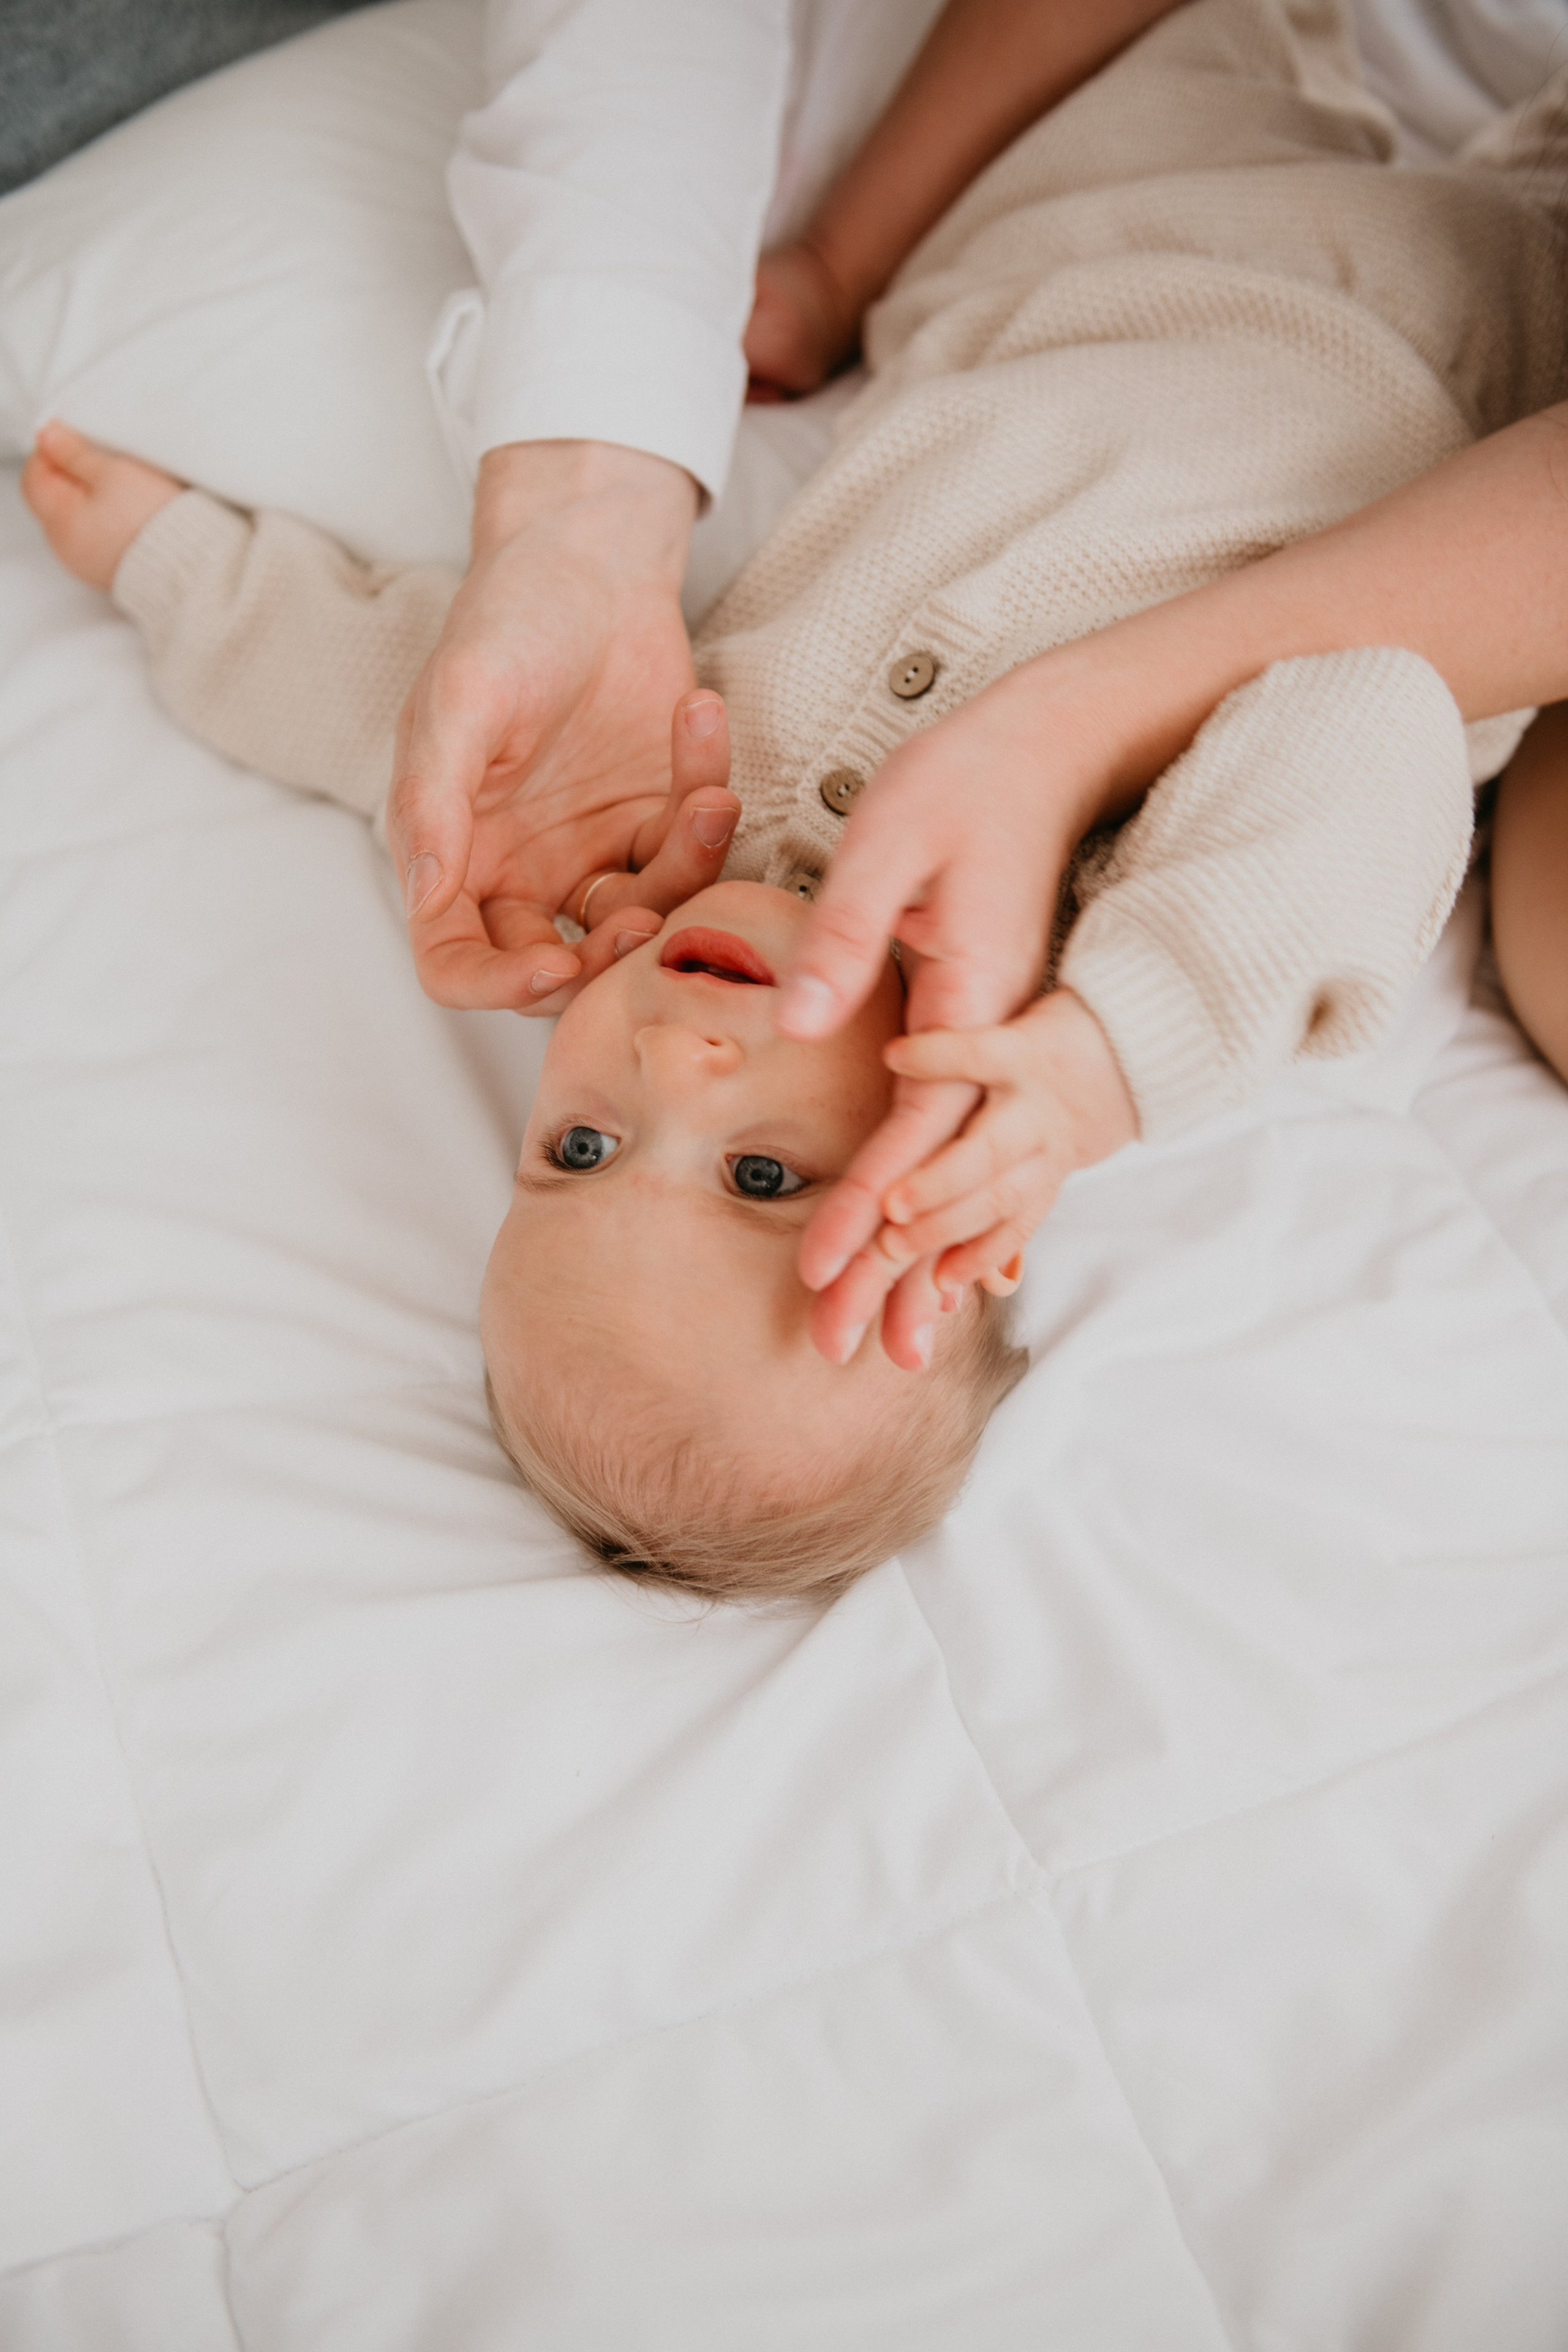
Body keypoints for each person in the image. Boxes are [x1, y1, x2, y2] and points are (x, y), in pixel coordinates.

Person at [21, 0, 1565, 1594]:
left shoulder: (657, 838)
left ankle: (846, 254)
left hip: (1096, 218)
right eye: (761, 1179)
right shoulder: (1096, 942)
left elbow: (407, 721)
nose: (671, 1066)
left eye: (582, 1147)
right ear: (956, 1224)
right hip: (1463, 356)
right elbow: (1377, 717)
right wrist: (1114, 1053)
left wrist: (175, 566)